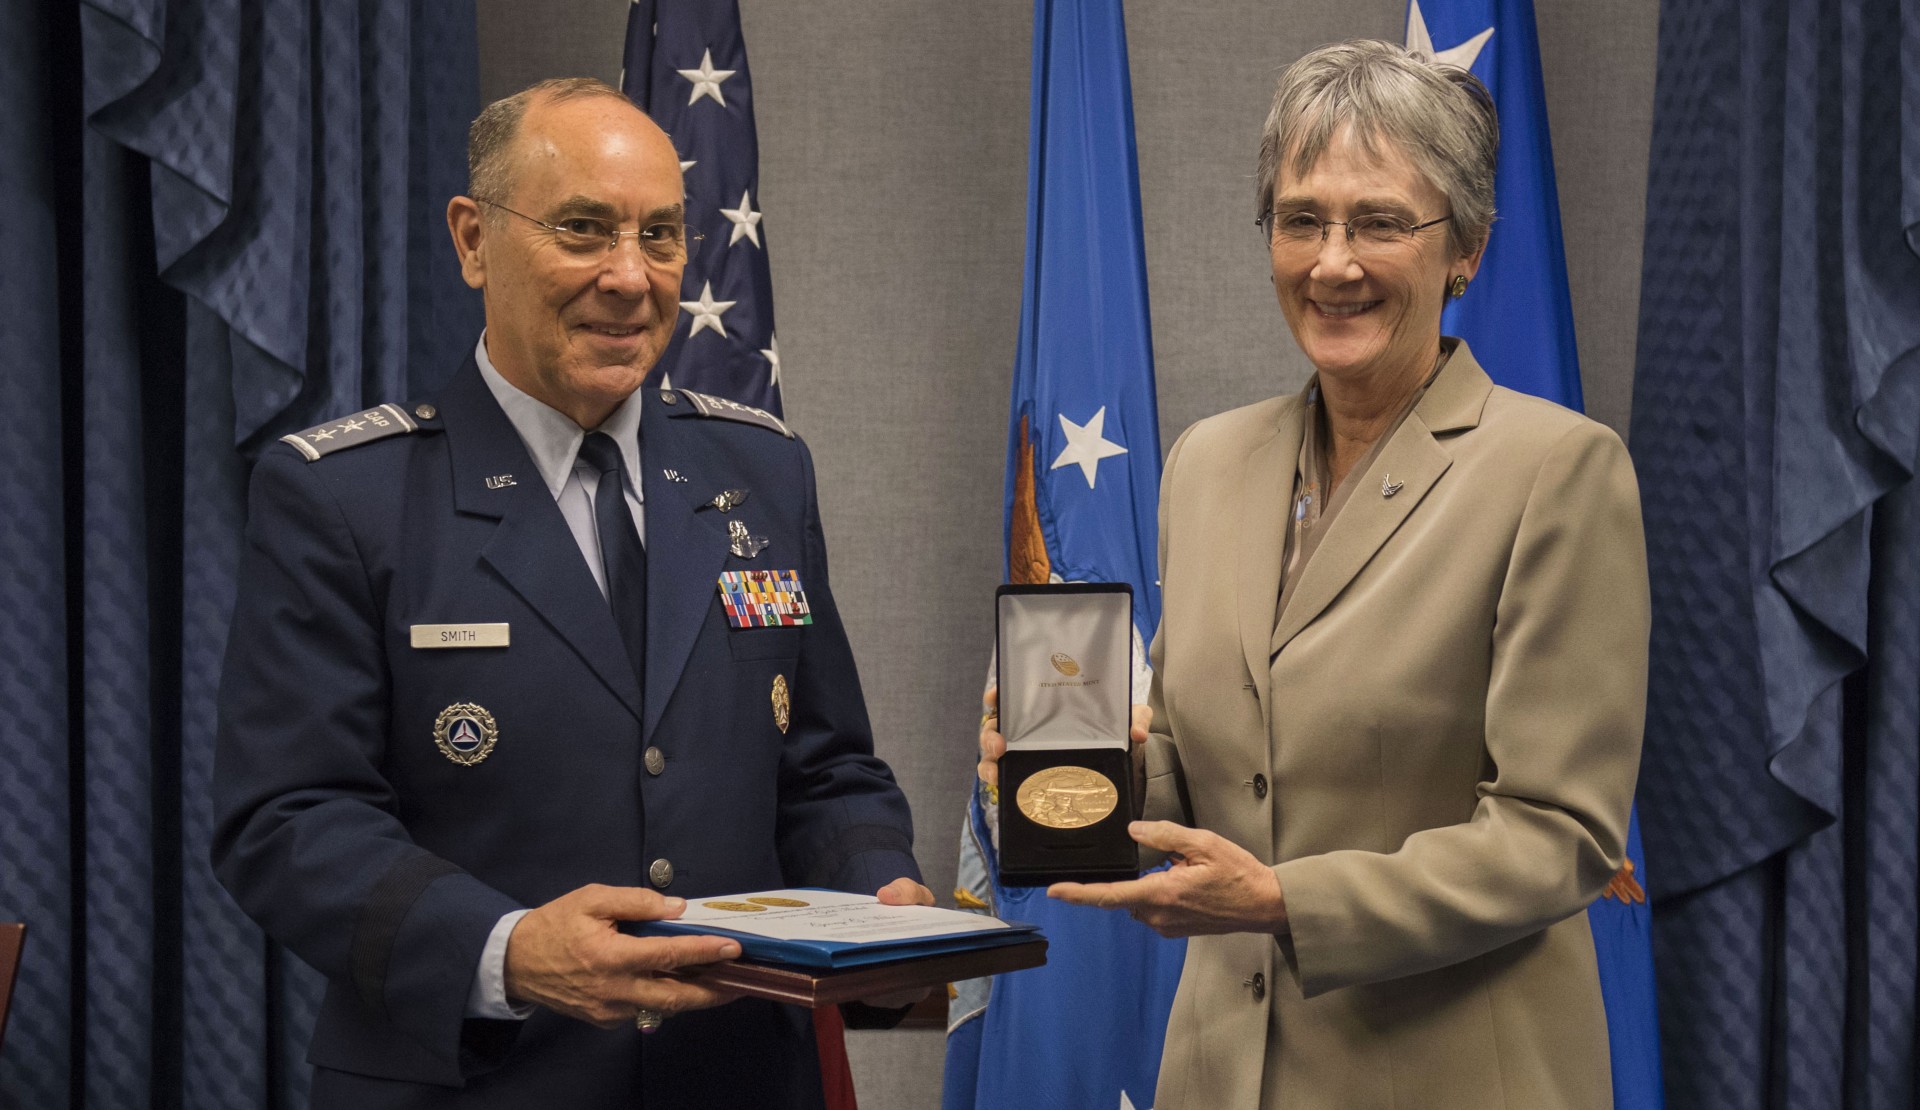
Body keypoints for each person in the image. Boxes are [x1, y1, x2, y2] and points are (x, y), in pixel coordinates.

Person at [212, 78, 931, 1109]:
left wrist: (879, 894)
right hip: (475, 1084)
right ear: (472, 241)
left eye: (663, 236)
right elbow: (286, 818)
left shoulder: (762, 471)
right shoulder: (346, 495)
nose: (631, 279)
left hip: (734, 1081)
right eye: (583, 230)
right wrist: (505, 950)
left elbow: (825, 770)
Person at [978, 40, 1646, 1109]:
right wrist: (1058, 776)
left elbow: (1557, 836)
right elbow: (1216, 774)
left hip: (1452, 1078)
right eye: (1301, 220)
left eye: (1380, 222)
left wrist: (1286, 900)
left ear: (1464, 247)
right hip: (1218, 1074)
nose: (1333, 262)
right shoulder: (1207, 464)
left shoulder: (1556, 471)